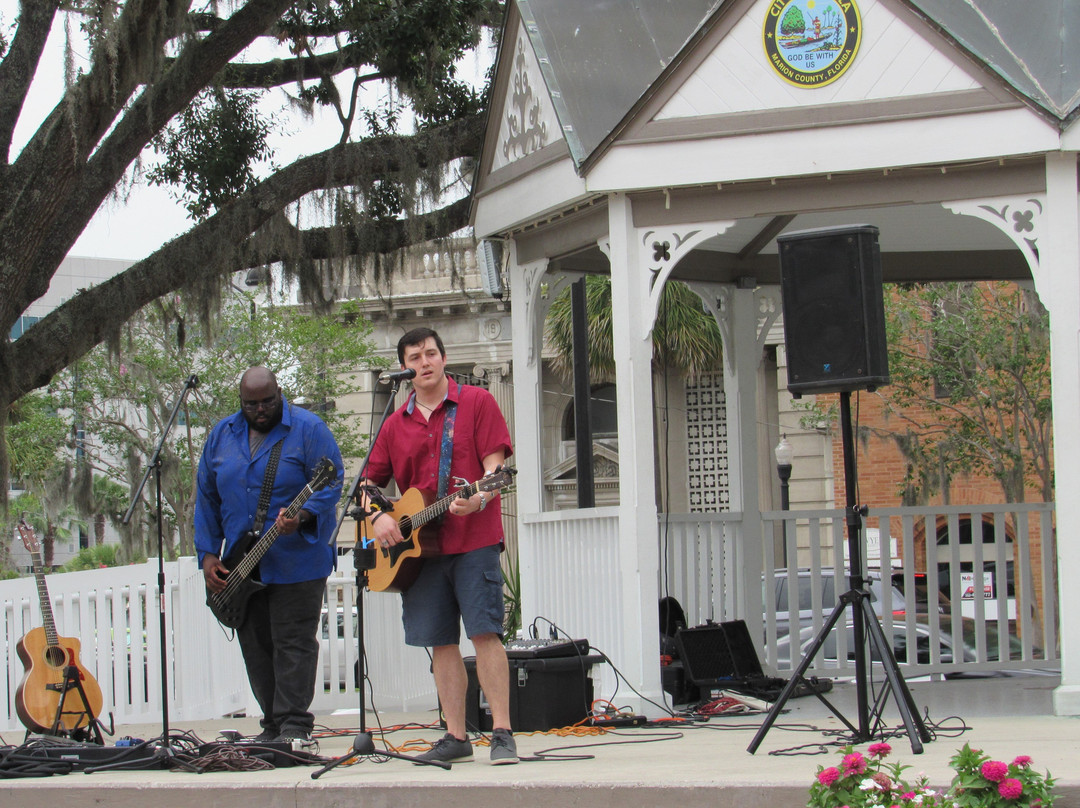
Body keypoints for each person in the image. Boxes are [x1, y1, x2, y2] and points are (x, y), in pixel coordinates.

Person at [359, 327, 517, 765]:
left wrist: (481, 496)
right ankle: (455, 736)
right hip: (420, 554)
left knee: (485, 633)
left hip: (474, 540)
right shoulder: (394, 424)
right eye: (415, 356)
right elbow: (368, 485)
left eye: (431, 353)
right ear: (405, 368)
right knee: (441, 643)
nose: (424, 362)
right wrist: (380, 516)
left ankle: (502, 731)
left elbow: (495, 467)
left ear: (444, 359)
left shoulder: (476, 403)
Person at [194, 366, 344, 745]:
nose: (260, 410)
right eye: (251, 404)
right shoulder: (221, 436)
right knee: (256, 645)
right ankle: (273, 724)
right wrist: (209, 554)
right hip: (242, 563)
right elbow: (207, 497)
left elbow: (334, 481)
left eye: (267, 401)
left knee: (293, 642)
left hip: (297, 559)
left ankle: (295, 724)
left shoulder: (309, 430)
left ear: (280, 394)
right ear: (240, 402)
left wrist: (304, 514)